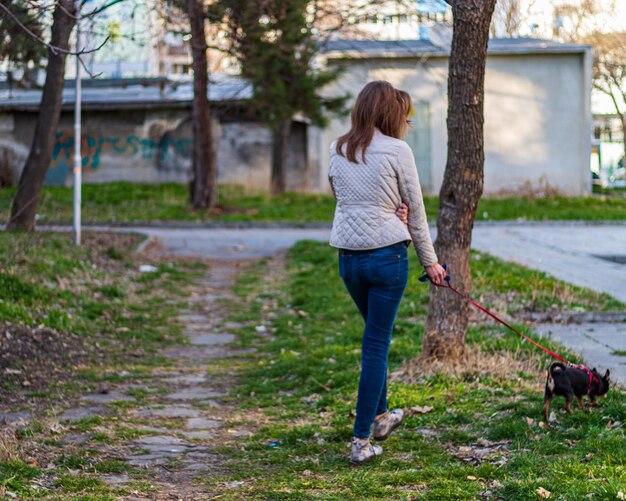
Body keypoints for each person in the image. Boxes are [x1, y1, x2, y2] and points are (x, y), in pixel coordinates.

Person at [328, 81, 447, 464]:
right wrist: (431, 262)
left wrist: (390, 207)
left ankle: (381, 418)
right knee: (376, 345)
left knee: (373, 338)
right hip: (386, 259)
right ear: (389, 113)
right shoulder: (398, 150)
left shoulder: (338, 148)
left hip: (349, 260)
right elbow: (416, 208)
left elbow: (344, 200)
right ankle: (361, 439)